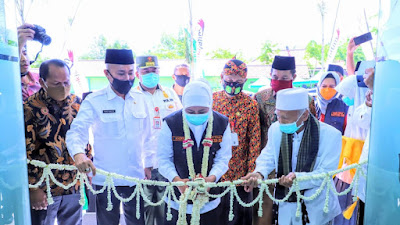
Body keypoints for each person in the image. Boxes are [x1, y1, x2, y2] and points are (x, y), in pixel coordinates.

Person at [66, 49, 154, 225]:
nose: (127, 78)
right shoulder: (94, 100)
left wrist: (149, 164)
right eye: (121, 73)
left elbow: (149, 135)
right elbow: (77, 131)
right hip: (106, 179)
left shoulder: (141, 99)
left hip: (135, 176)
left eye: (131, 73)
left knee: (138, 222)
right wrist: (78, 154)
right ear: (107, 74)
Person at [242, 88, 342, 225]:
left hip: (317, 207)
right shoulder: (276, 129)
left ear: (305, 115)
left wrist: (297, 179)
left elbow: (326, 173)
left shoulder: (331, 135)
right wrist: (259, 173)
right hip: (286, 205)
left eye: (286, 118)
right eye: (278, 116)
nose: (281, 122)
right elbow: (268, 156)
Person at [24, 59, 92, 225]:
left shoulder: (77, 103)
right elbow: (25, 151)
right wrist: (33, 188)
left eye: (66, 82)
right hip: (44, 186)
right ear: (42, 82)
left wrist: (88, 169)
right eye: (56, 83)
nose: (63, 87)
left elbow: (83, 138)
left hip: (73, 184)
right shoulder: (29, 108)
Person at [158, 79, 232, 225]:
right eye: (190, 111)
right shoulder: (170, 122)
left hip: (210, 201)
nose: (196, 115)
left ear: (210, 105)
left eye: (202, 111)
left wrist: (211, 179)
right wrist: (177, 181)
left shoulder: (222, 123)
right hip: (176, 201)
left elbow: (223, 158)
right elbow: (163, 159)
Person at [253, 56, 316, 224]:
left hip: (295, 166)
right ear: (270, 75)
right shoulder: (260, 98)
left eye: (284, 78)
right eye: (275, 77)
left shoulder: (306, 100)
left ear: (293, 77)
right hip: (268, 166)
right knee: (264, 214)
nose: (278, 81)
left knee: (292, 214)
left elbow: (312, 132)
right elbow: (255, 133)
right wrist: (258, 168)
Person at [134, 55, 182, 225]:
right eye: (146, 71)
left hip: (167, 164)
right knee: (144, 215)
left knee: (167, 214)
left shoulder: (170, 94)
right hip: (141, 167)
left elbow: (181, 125)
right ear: (137, 73)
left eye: (154, 70)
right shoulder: (132, 96)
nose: (150, 73)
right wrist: (144, 162)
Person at [212, 58, 261, 225]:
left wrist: (251, 173)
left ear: (245, 81)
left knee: (240, 218)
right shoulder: (212, 101)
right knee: (215, 217)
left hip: (241, 175)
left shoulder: (251, 105)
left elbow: (254, 141)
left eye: (238, 82)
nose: (233, 86)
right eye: (229, 81)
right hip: (214, 173)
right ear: (221, 77)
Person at [18, 23, 41, 101]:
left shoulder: (40, 78)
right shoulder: (8, 80)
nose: (24, 59)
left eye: (25, 53)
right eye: (18, 53)